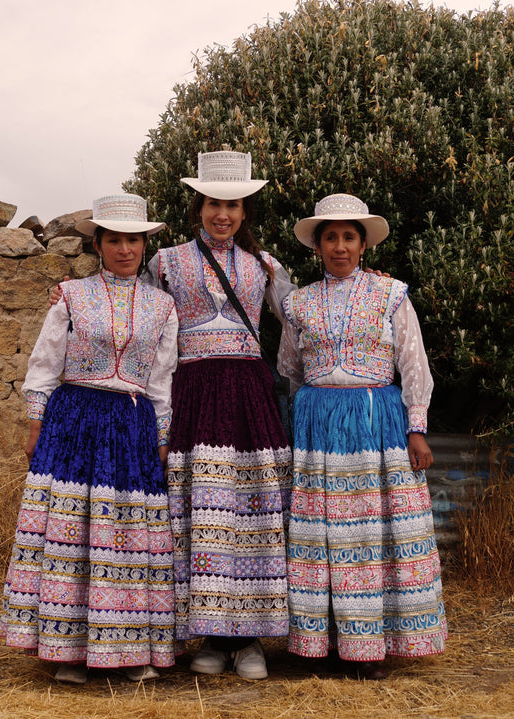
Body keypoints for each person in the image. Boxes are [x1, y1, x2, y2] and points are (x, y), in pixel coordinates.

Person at [0, 193, 179, 685]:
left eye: (134, 240)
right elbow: (44, 363)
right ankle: (67, 650)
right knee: (72, 530)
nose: (125, 249)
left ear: (145, 245)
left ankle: (130, 648)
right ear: (99, 244)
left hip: (131, 423)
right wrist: (36, 422)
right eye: (115, 240)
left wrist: (161, 437)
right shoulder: (72, 296)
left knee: (126, 533)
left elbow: (162, 379)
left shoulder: (163, 307)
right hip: (74, 419)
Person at [277, 193, 447, 678]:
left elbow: (413, 363)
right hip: (317, 429)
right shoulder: (299, 304)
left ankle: (369, 647)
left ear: (363, 244)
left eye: (348, 237)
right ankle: (320, 642)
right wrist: (305, 416)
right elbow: (289, 369)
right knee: (321, 535)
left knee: (370, 533)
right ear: (318, 246)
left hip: (376, 426)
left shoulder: (392, 295)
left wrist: (417, 429)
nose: (339, 246)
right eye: (330, 237)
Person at [149, 151, 295, 680]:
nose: (223, 214)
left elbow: (303, 315)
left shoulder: (266, 266)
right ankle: (209, 636)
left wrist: (357, 284)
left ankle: (250, 639)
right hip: (193, 393)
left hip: (249, 397)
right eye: (214, 203)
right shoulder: (164, 262)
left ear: (244, 209)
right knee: (202, 512)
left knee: (251, 512)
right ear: (199, 206)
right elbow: (138, 318)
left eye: (233, 204)